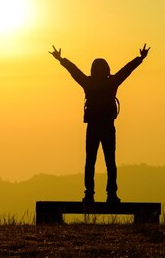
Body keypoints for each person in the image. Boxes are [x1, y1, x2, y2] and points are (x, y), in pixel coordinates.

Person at [49, 44, 150, 203]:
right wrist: (140, 58)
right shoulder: (112, 82)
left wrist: (61, 59)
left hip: (93, 127)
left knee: (90, 161)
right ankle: (111, 195)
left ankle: (89, 194)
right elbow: (126, 70)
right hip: (108, 126)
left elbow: (74, 71)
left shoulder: (88, 83)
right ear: (107, 69)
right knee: (110, 162)